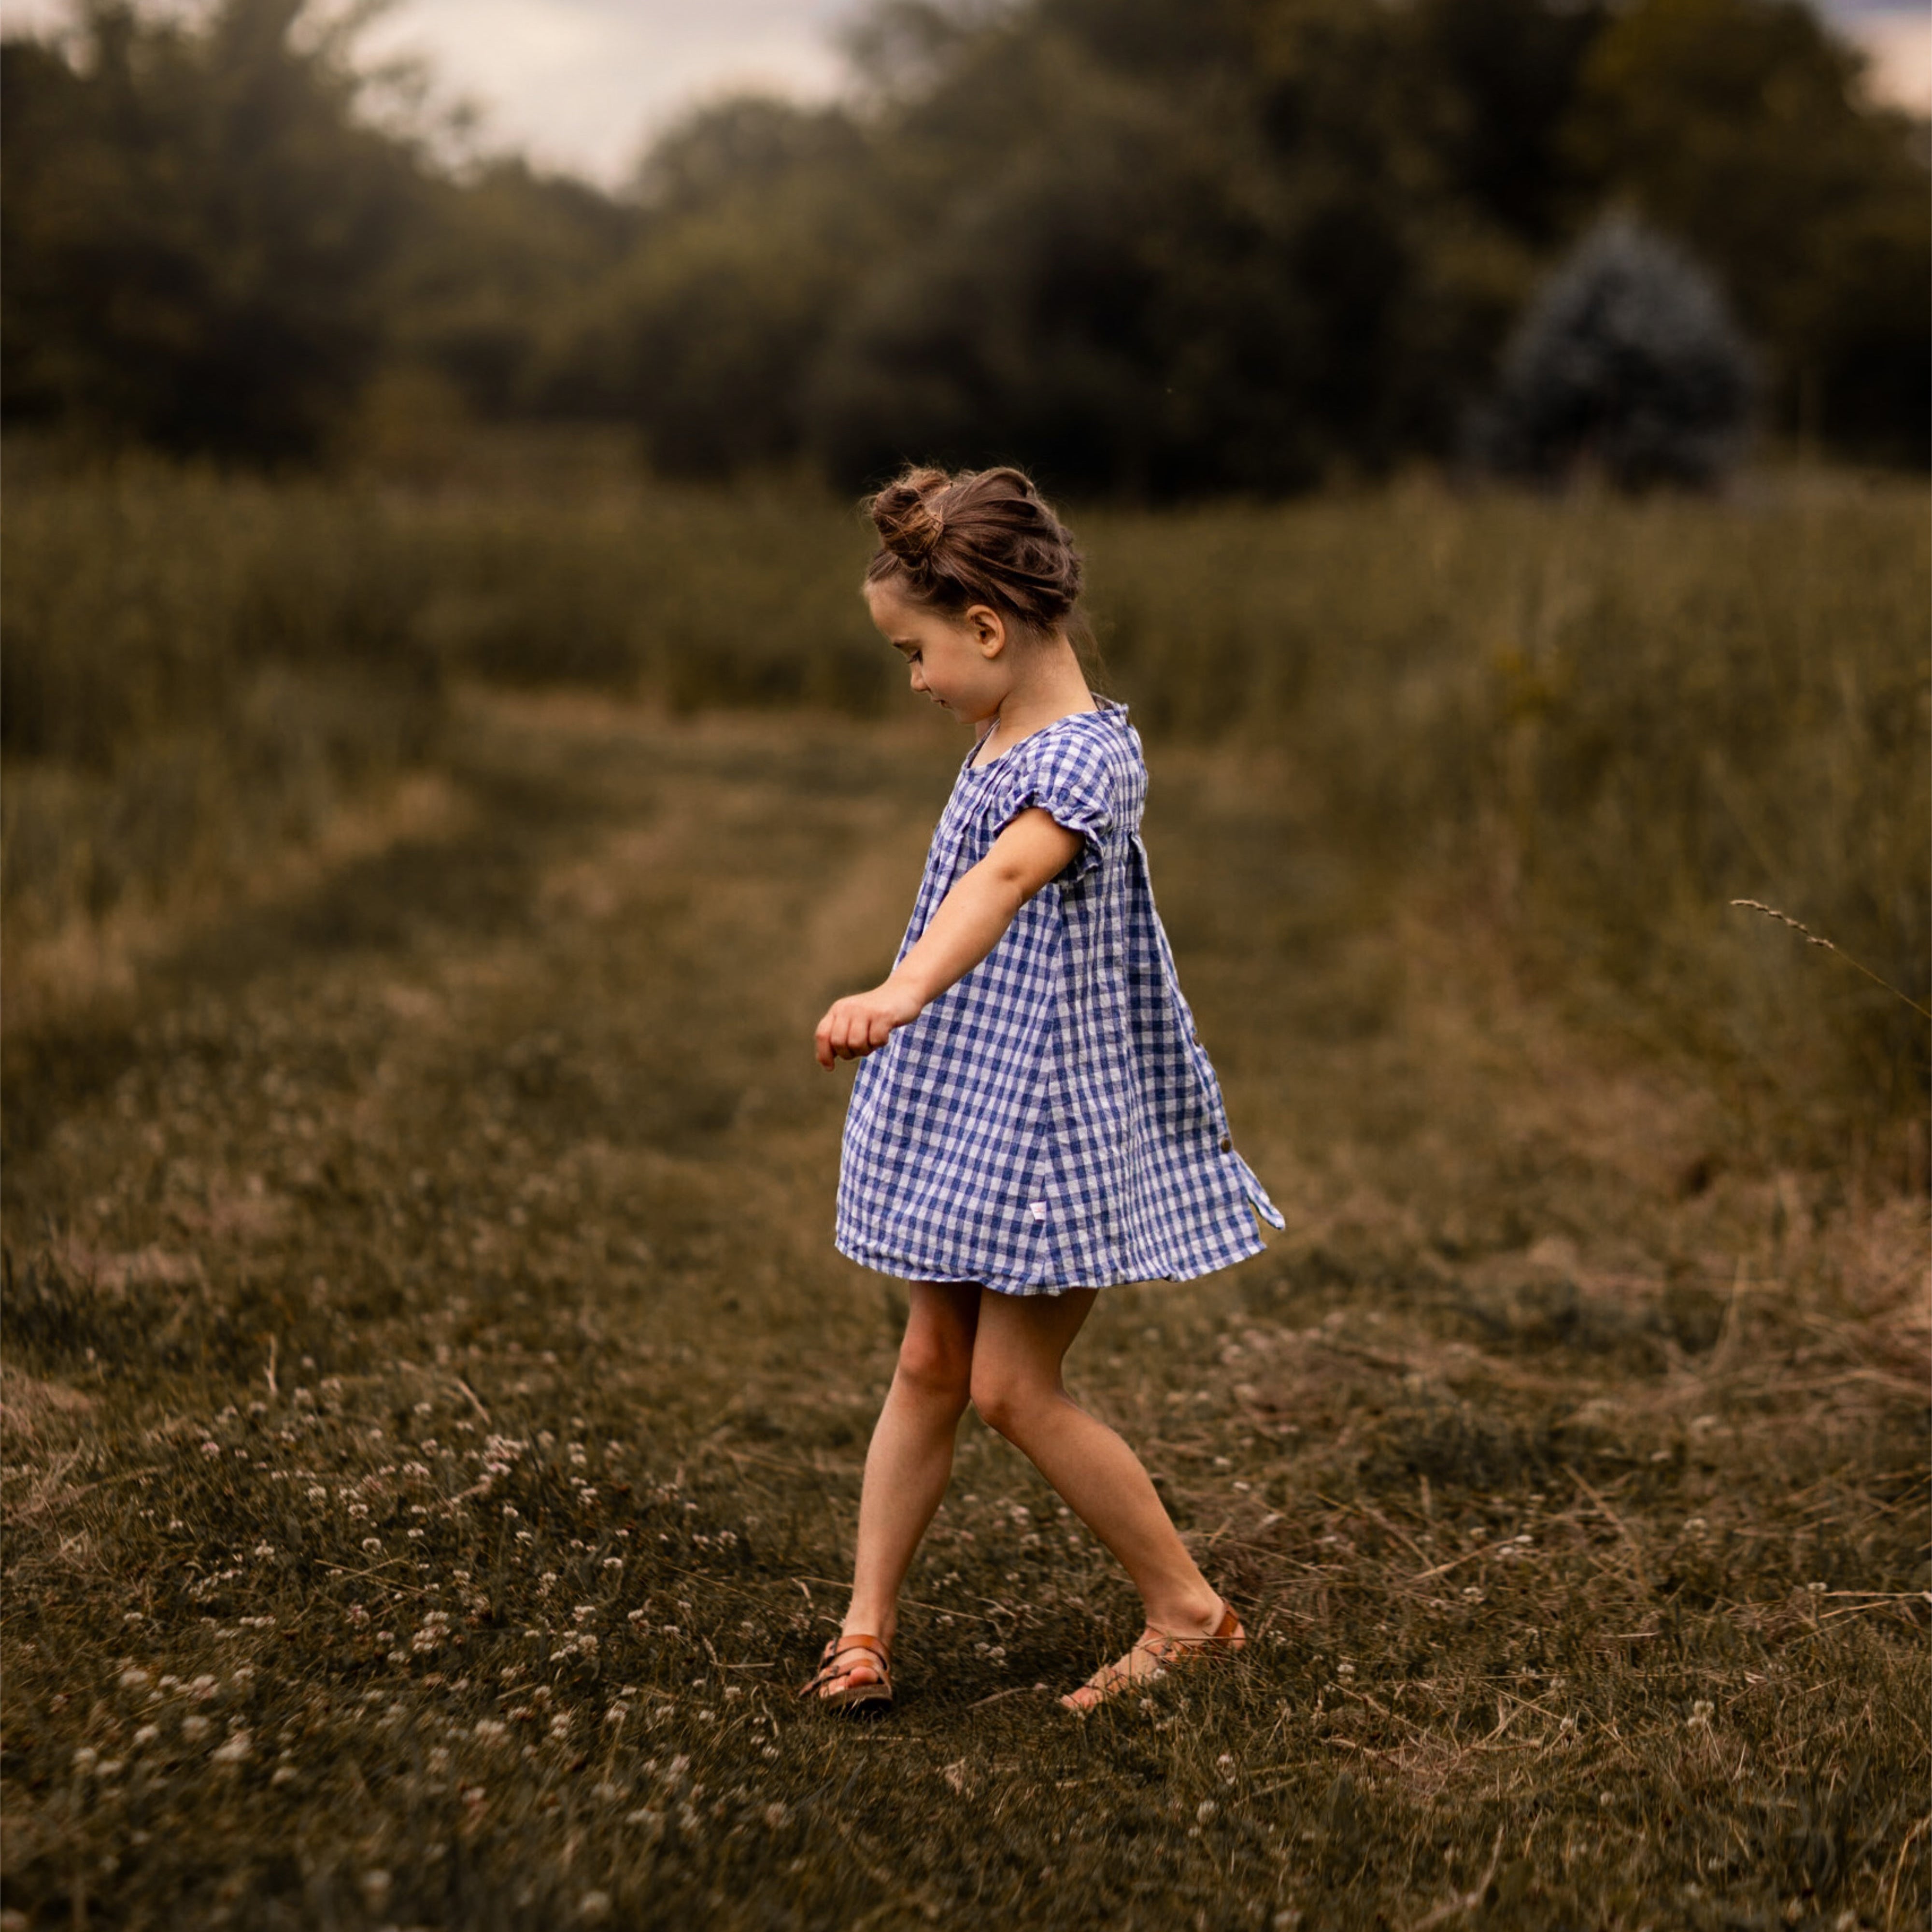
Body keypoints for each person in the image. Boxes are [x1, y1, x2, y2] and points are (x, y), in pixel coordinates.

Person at [804, 464, 1284, 1716]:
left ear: (986, 626)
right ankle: (864, 1630)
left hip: (1049, 1128)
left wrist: (901, 992)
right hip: (975, 1104)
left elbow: (1007, 876)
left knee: (1013, 1388)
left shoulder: (1089, 760)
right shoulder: (1004, 729)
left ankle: (1189, 1613)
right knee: (928, 1363)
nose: (916, 681)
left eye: (916, 653)